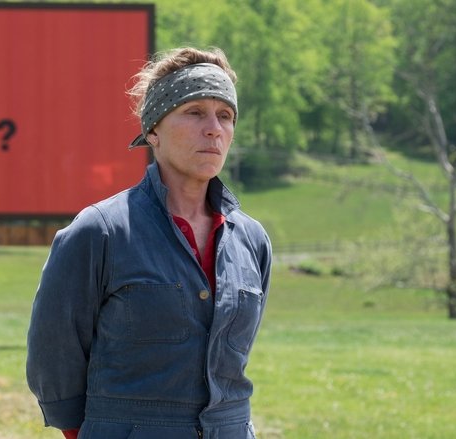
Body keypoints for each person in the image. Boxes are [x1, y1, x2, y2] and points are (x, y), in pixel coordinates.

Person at [26, 46, 272, 439]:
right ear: (153, 130)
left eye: (225, 116)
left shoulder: (252, 241)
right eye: (194, 112)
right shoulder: (100, 231)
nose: (214, 128)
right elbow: (53, 351)